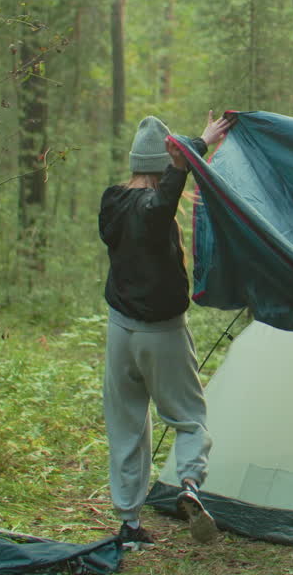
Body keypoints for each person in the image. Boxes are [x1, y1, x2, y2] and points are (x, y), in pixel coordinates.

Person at [98, 111, 235, 545]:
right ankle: (191, 486)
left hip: (120, 334)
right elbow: (159, 208)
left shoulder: (112, 201)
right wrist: (190, 156)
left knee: (126, 426)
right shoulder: (154, 211)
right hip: (163, 335)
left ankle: (129, 524)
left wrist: (198, 144)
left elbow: (155, 201)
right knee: (190, 419)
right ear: (162, 166)